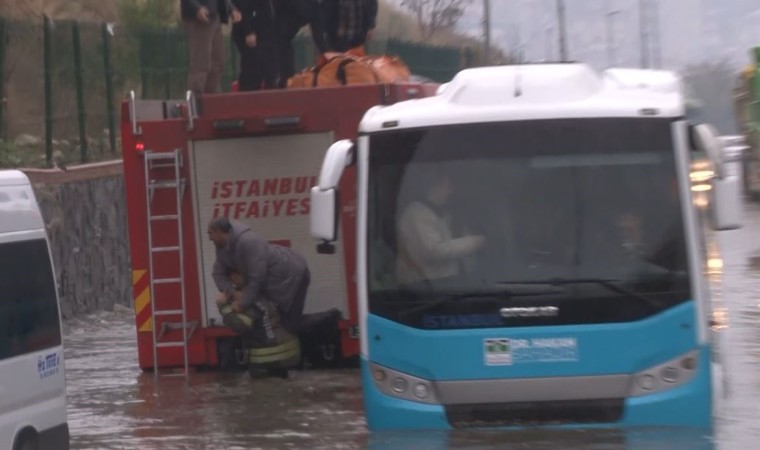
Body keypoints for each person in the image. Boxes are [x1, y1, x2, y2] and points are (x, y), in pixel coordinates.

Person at [208, 216, 310, 334]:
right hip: (274, 283)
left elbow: (257, 278)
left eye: (210, 233)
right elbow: (218, 273)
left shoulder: (249, 241)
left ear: (219, 231)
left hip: (294, 276)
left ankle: (329, 319)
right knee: (278, 322)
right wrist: (233, 293)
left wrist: (242, 303)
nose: (209, 238)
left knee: (291, 325)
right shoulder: (222, 248)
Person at [395, 171, 486, 286]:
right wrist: (474, 242)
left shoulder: (439, 211)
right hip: (426, 286)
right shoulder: (416, 214)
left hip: (441, 284)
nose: (451, 192)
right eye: (448, 187)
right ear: (435, 186)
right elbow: (434, 251)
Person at [180, 0, 242, 95]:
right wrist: (196, 8)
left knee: (218, 60)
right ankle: (196, 100)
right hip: (198, 19)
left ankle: (212, 97)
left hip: (214, 16)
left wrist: (231, 8)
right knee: (201, 62)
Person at [274, 0, 330, 88]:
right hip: (273, 25)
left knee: (286, 64)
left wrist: (328, 55)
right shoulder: (310, 7)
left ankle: (285, 82)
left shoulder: (315, 7)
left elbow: (319, 36)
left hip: (284, 34)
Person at [231, 0, 279, 90]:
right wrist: (248, 30)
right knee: (252, 69)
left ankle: (270, 96)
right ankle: (247, 99)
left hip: (266, 31)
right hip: (251, 30)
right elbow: (242, 6)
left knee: (270, 70)